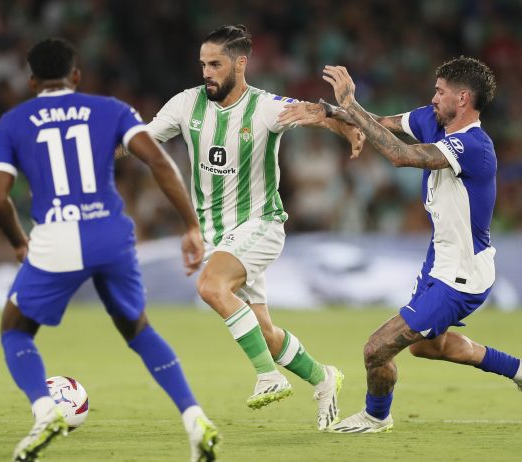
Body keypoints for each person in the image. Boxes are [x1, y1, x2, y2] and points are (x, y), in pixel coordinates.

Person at [278, 56, 522, 433]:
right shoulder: (430, 119)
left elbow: (400, 155)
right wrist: (327, 112)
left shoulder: (475, 147)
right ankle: (521, 369)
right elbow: (379, 124)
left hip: (462, 277)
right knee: (426, 346)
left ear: (463, 99)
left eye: (441, 92)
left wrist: (351, 106)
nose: (433, 98)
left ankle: (376, 415)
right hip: (439, 262)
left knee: (377, 349)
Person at [0, 38, 219, 462]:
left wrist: (20, 242)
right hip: (110, 235)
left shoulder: (13, 122)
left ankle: (44, 412)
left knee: (15, 330)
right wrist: (190, 224)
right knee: (139, 330)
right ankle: (194, 416)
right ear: (76, 76)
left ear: (32, 80)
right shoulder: (110, 109)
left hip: (55, 237)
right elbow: (161, 163)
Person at [139, 25, 363, 430]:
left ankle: (267, 377)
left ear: (240, 64)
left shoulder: (263, 107)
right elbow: (141, 141)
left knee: (210, 287)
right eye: (203, 64)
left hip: (260, 224)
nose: (206, 72)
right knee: (265, 332)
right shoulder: (185, 105)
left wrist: (345, 126)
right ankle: (323, 377)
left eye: (215, 64)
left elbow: (313, 114)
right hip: (218, 236)